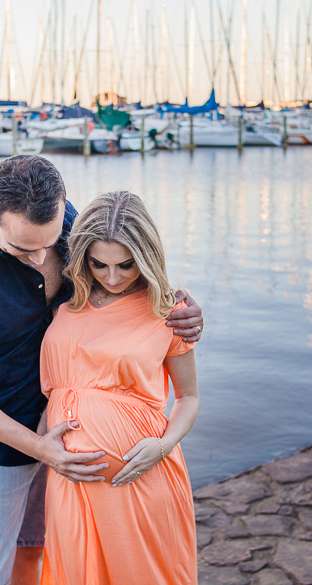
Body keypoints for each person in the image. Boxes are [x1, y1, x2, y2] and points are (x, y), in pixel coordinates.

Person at [0, 156, 204, 585]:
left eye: (50, 243)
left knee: (35, 550)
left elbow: (124, 266)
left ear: (64, 205)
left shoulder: (70, 225)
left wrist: (183, 311)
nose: (39, 257)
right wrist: (40, 448)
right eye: (21, 248)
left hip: (62, 439)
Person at [39, 190, 200, 585]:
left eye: (126, 266)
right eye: (100, 264)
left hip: (139, 475)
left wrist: (161, 447)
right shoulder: (66, 296)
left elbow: (189, 397)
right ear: (83, 257)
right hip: (70, 478)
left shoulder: (167, 310)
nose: (112, 278)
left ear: (145, 256)